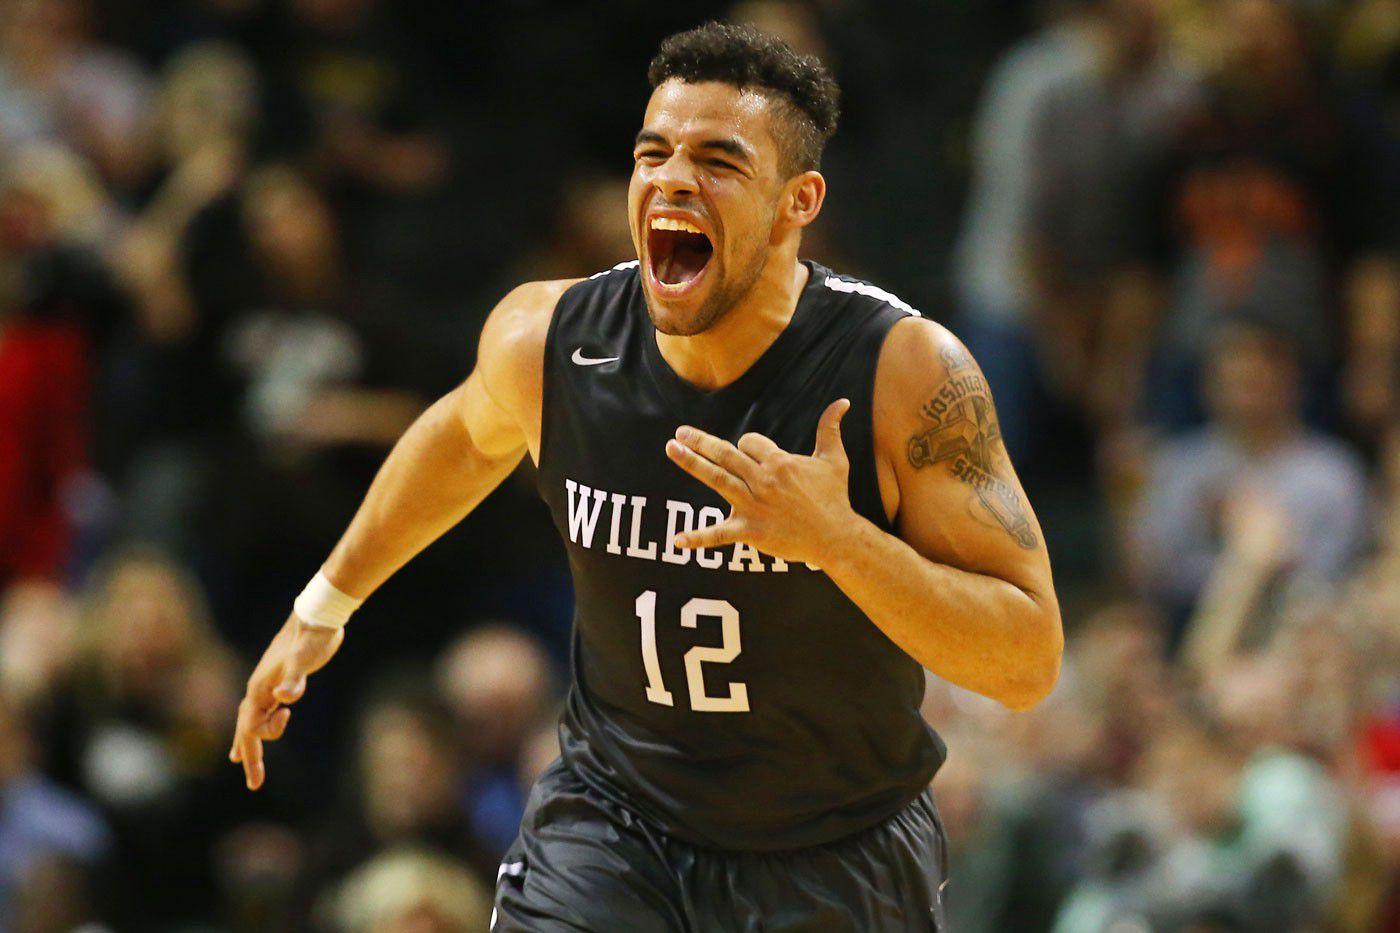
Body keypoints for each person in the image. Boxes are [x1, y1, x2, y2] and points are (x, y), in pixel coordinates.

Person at [229, 23, 1063, 931]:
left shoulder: (903, 371)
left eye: (718, 160)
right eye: (653, 153)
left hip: (834, 844)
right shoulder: (551, 337)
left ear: (799, 201)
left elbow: (1027, 660)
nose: (672, 179)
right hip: (615, 822)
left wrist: (841, 542)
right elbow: (463, 440)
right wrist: (322, 608)